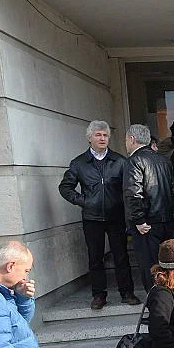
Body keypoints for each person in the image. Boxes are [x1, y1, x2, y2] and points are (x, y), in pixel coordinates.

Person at [59, 120, 139, 310]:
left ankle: (126, 292)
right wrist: (83, 200)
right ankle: (98, 295)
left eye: (105, 135)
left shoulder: (120, 161)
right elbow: (65, 187)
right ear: (89, 138)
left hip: (116, 216)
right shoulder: (79, 163)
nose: (102, 138)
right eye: (98, 135)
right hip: (91, 217)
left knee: (121, 256)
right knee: (95, 257)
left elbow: (130, 187)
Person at [123, 124, 174, 291]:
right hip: (166, 220)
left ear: (131, 139)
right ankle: (168, 300)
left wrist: (138, 219)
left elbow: (133, 192)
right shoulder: (164, 160)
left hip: (146, 224)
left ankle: (156, 303)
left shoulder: (134, 160)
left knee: (150, 267)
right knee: (166, 266)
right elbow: (172, 191)